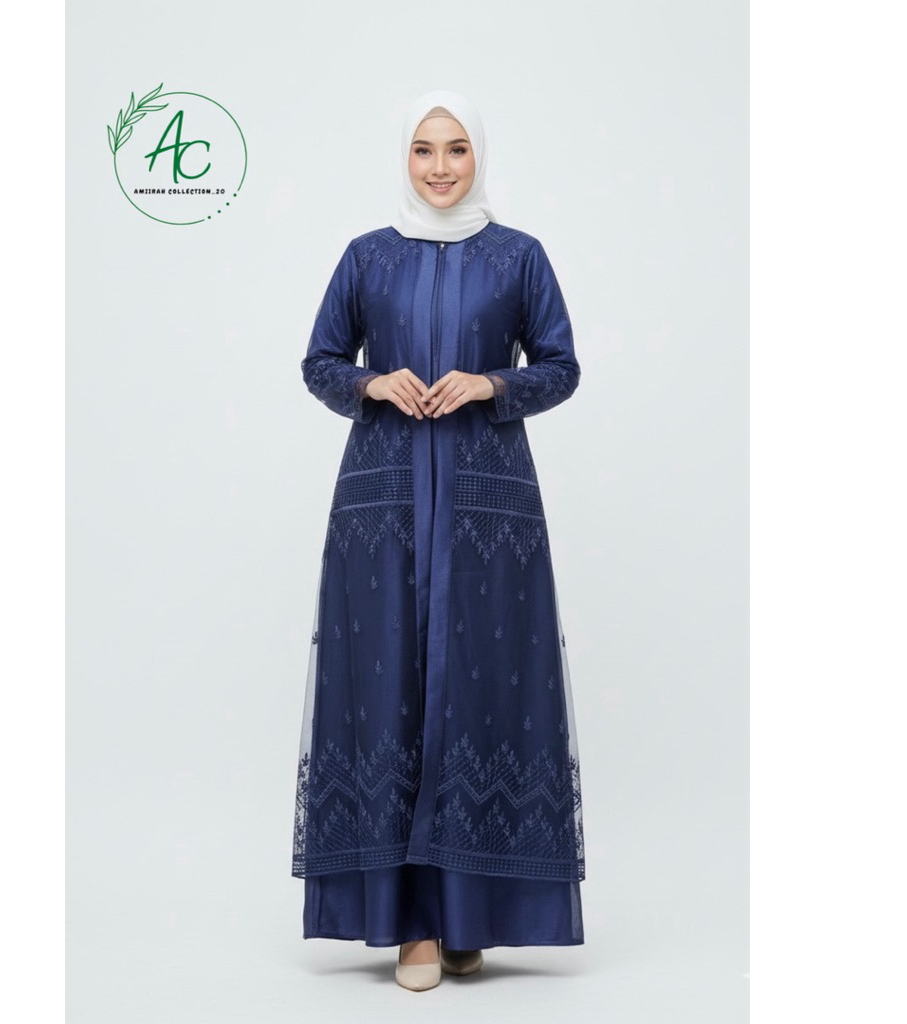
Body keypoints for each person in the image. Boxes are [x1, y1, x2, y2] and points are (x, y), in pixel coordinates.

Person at [291, 89, 586, 993]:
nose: (441, 167)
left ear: (478, 156)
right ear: (406, 158)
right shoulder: (366, 255)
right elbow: (319, 362)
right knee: (388, 690)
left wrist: (492, 385)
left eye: (456, 149)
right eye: (424, 149)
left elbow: (562, 367)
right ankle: (413, 927)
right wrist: (372, 385)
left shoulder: (518, 256)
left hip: (488, 510)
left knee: (480, 689)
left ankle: (469, 920)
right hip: (381, 504)